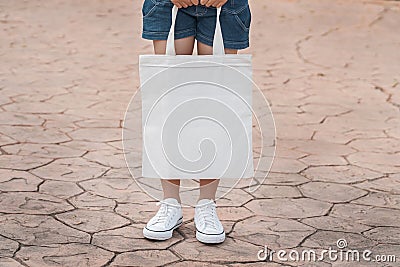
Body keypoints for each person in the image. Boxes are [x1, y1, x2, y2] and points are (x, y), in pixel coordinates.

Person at [141, 0, 251, 244]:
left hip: (226, 5)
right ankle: (170, 203)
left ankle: (206, 204)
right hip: (169, 4)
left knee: (215, 105)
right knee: (169, 102)